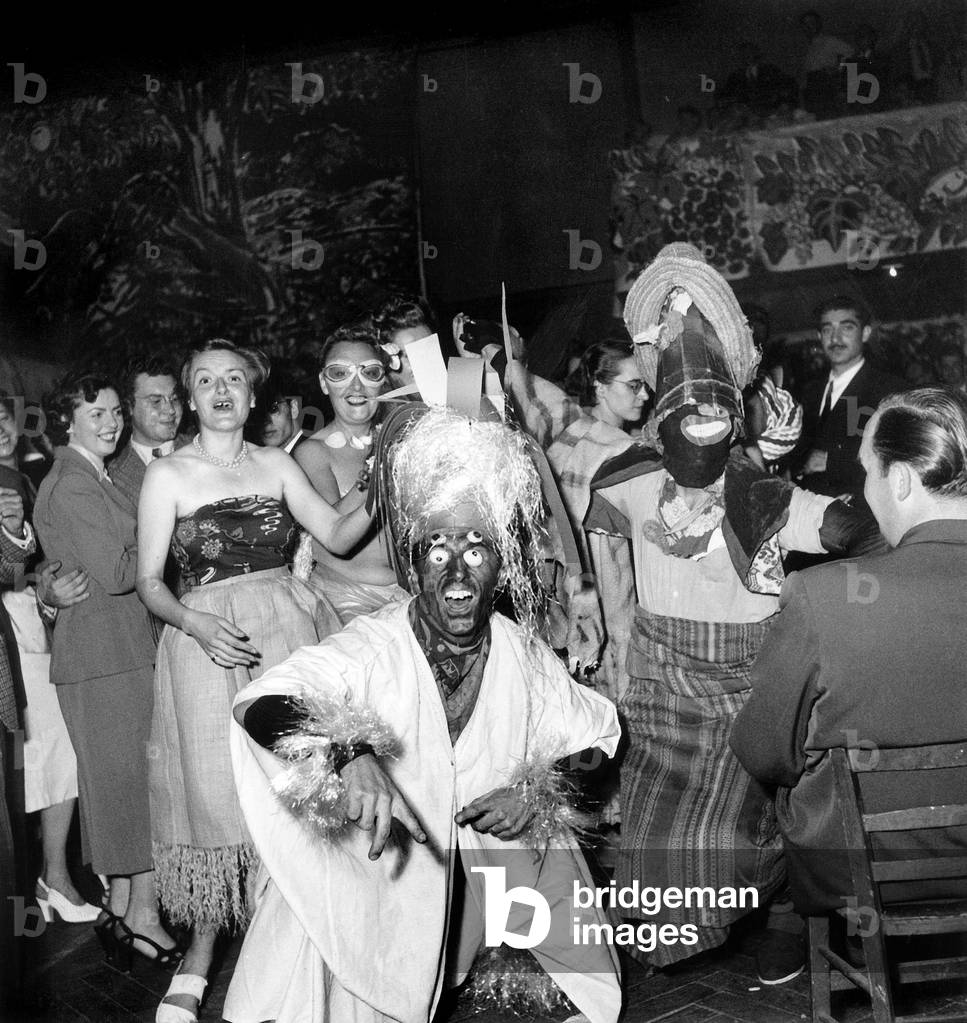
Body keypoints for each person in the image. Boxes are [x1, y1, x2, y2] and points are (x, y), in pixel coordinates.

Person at [480, 244, 883, 983]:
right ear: (660, 412)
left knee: (747, 826)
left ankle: (780, 919)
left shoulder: (760, 491)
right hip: (662, 679)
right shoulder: (625, 476)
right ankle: (705, 924)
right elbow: (604, 563)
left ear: (734, 416)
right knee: (655, 838)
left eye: (713, 411)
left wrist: (898, 508)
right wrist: (610, 637)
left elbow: (845, 527)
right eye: (683, 409)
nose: (699, 421)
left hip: (750, 682)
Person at [225, 405, 622, 1023]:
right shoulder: (374, 646)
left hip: (482, 859)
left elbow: (597, 736)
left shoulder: (521, 651)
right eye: (437, 552)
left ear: (502, 567)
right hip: (383, 863)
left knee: (552, 845)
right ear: (412, 567)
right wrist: (346, 754)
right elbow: (259, 701)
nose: (458, 573)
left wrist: (538, 788)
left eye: (477, 551)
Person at [136, 338, 374, 1023]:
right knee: (217, 796)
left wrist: (386, 468)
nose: (219, 391)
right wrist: (196, 623)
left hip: (288, 629)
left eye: (233, 379)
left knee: (299, 786)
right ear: (189, 396)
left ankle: (300, 951)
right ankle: (200, 955)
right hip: (203, 639)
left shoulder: (275, 463)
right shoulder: (169, 475)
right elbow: (150, 583)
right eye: (205, 380)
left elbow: (337, 530)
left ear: (251, 394)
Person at [732, 388, 967, 918]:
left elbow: (763, 750)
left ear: (901, 479)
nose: (865, 490)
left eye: (868, 472)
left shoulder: (823, 595)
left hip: (863, 876)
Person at [32, 372, 179, 970]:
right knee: (131, 790)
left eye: (115, 411)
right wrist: (168, 523)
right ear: (68, 420)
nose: (112, 422)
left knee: (117, 787)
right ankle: (144, 916)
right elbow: (121, 574)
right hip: (103, 657)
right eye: (97, 414)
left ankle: (121, 904)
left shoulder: (93, 475)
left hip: (111, 651)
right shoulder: (71, 483)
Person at [0, 394, 101, 924]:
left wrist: (44, 587)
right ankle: (48, 878)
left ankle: (54, 875)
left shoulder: (31, 476)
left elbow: (32, 566)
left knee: (56, 750)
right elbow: (14, 569)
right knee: (39, 756)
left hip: (35, 629)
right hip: (16, 636)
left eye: (0, 414)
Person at [295, 323, 408, 624]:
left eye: (369, 373)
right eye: (340, 374)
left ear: (383, 381)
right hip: (345, 603)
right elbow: (330, 529)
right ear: (323, 382)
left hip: (407, 595)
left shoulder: (404, 442)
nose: (356, 388)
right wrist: (373, 473)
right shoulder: (313, 452)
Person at [792, 297, 905, 511]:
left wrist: (833, 461)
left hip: (862, 515)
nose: (835, 338)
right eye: (827, 330)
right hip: (809, 515)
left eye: (847, 328)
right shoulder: (809, 391)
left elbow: (899, 454)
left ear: (865, 333)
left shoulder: (888, 390)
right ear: (819, 336)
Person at [109, 356, 185, 508]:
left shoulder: (203, 449)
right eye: (156, 401)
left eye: (175, 399)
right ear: (129, 406)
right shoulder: (113, 476)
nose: (170, 410)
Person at [246, 361, 306, 454]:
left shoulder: (310, 457)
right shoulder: (267, 460)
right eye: (257, 413)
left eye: (273, 409)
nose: (266, 421)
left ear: (293, 408)